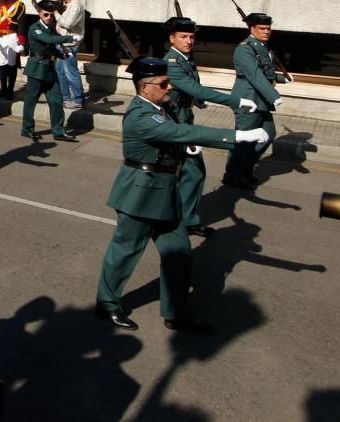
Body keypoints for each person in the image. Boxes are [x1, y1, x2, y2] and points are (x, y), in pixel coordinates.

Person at [95, 57, 268, 333]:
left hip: (165, 194)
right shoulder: (141, 114)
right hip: (140, 195)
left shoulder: (161, 107)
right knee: (125, 252)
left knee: (179, 254)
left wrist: (184, 148)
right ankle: (107, 304)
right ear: (144, 87)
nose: (169, 87)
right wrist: (237, 136)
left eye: (168, 81)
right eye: (163, 83)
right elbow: (180, 131)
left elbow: (174, 136)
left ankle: (176, 313)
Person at [161, 16, 256, 237]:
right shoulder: (172, 62)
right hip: (176, 124)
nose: (189, 41)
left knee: (186, 173)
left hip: (184, 119)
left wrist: (196, 100)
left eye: (192, 37)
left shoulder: (185, 59)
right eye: (183, 37)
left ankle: (180, 218)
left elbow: (192, 90)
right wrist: (237, 101)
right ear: (172, 38)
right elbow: (198, 89)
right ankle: (182, 221)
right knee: (190, 172)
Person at [223, 12, 290, 190]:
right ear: (252, 29)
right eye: (262, 28)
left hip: (260, 101)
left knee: (268, 134)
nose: (266, 31)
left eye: (268, 28)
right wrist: (274, 95)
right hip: (248, 100)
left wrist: (284, 78)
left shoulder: (262, 46)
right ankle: (233, 175)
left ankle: (245, 169)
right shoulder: (245, 49)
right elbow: (255, 75)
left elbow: (266, 72)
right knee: (244, 141)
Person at [20, 0, 79, 141]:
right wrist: (70, 37)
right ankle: (27, 128)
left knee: (56, 100)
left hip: (49, 69)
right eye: (46, 15)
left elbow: (52, 48)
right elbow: (49, 40)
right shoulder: (35, 28)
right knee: (31, 100)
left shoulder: (51, 28)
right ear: (39, 14)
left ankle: (58, 131)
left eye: (51, 15)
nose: (49, 18)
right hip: (36, 69)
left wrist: (63, 54)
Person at [55, 0, 86, 109]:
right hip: (62, 42)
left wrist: (56, 14)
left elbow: (67, 24)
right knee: (61, 72)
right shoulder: (70, 5)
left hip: (69, 45)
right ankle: (65, 98)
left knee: (70, 72)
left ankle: (78, 100)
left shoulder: (76, 6)